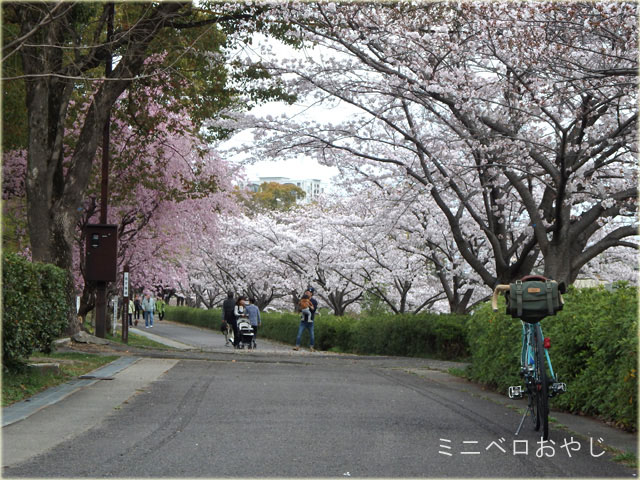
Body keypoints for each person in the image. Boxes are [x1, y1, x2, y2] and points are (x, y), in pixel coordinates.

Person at [293, 287, 318, 352]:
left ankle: (311, 347)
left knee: (312, 335)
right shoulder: (302, 299)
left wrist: (308, 306)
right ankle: (297, 346)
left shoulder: (314, 301)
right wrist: (301, 308)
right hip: (303, 320)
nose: (307, 293)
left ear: (311, 294)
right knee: (299, 333)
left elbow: (313, 310)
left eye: (308, 292)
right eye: (306, 292)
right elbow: (299, 308)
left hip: (310, 321)